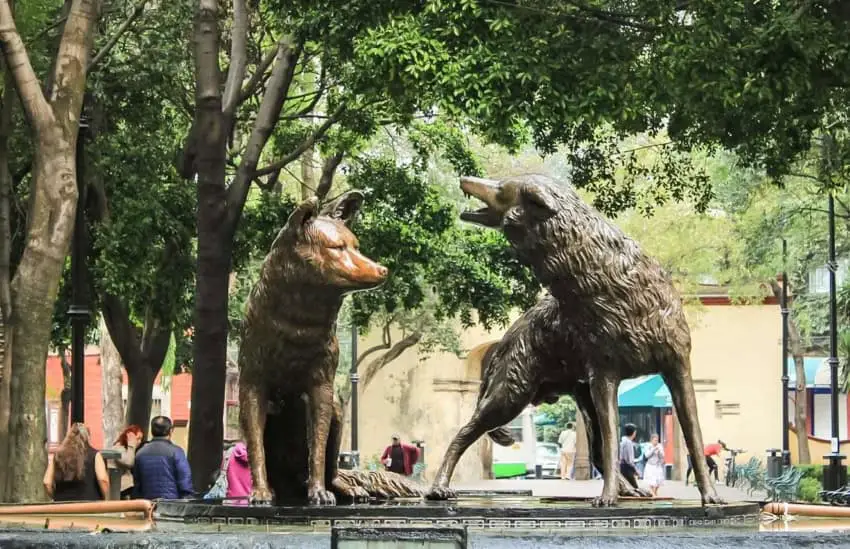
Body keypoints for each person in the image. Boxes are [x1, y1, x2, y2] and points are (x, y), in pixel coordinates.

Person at [43, 423, 109, 501]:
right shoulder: (95, 455)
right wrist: (105, 498)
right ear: (87, 437)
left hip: (62, 507)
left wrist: (56, 496)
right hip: (89, 506)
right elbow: (103, 479)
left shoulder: (58, 455)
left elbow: (47, 482)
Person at [133, 416, 194, 500]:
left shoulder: (140, 453)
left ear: (152, 431)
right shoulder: (176, 452)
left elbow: (137, 484)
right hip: (172, 505)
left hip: (148, 506)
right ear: (170, 431)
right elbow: (185, 480)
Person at [111, 424, 142, 499]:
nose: (139, 442)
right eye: (137, 439)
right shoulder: (118, 449)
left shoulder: (127, 450)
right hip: (122, 490)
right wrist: (131, 444)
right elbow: (129, 462)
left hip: (126, 488)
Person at [619, 423, 639, 489]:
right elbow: (630, 460)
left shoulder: (622, 441)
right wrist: (635, 470)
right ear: (634, 432)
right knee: (635, 487)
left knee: (625, 486)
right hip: (627, 468)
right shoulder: (629, 443)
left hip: (621, 466)